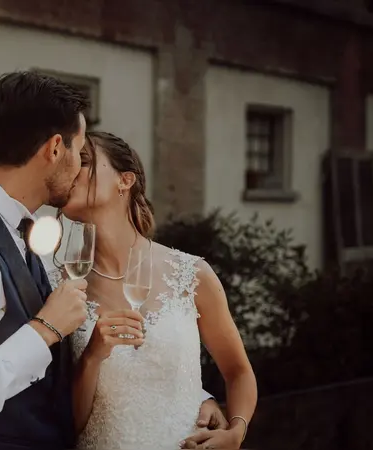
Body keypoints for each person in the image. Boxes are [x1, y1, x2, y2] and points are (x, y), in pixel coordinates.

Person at [0, 71, 227, 450]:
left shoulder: (25, 237)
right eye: (79, 151)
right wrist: (44, 329)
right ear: (55, 148)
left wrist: (191, 394)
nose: (79, 167)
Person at [49, 131, 258, 450]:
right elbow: (67, 424)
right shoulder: (56, 285)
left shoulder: (192, 274)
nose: (72, 169)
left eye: (85, 160)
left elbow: (238, 371)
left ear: (125, 180)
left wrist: (236, 431)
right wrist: (92, 357)